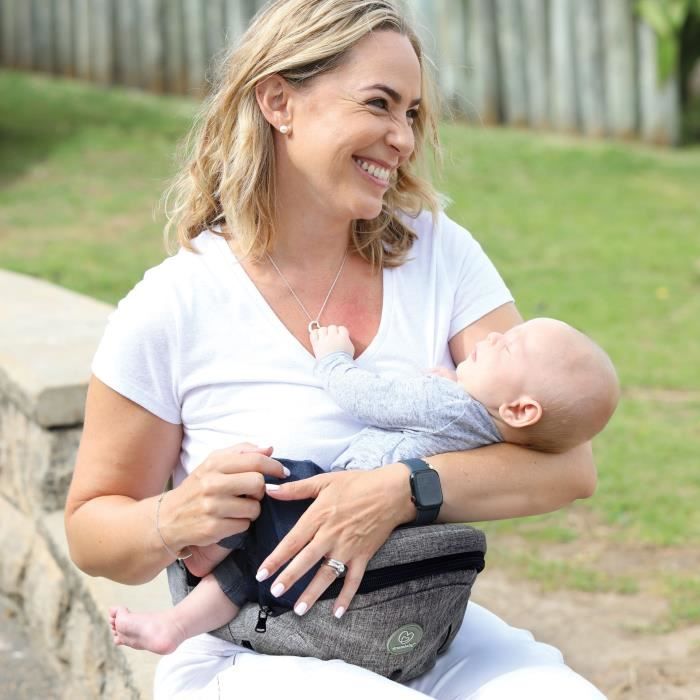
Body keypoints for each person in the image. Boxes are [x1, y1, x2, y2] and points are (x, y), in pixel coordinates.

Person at [64, 1, 608, 697]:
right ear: (279, 101)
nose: (403, 137)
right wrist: (174, 516)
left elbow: (567, 464)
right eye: (379, 103)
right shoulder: (175, 303)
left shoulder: (438, 252)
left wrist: (400, 491)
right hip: (254, 647)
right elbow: (90, 529)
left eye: (412, 112)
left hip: (413, 627)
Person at [107, 317, 619, 658]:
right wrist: (460, 382)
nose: (491, 337)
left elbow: (372, 399)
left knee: (264, 476)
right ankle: (175, 626)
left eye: (506, 346)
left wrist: (333, 358)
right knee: (253, 574)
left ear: (522, 409)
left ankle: (206, 551)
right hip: (378, 549)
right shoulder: (488, 427)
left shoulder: (444, 404)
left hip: (330, 497)